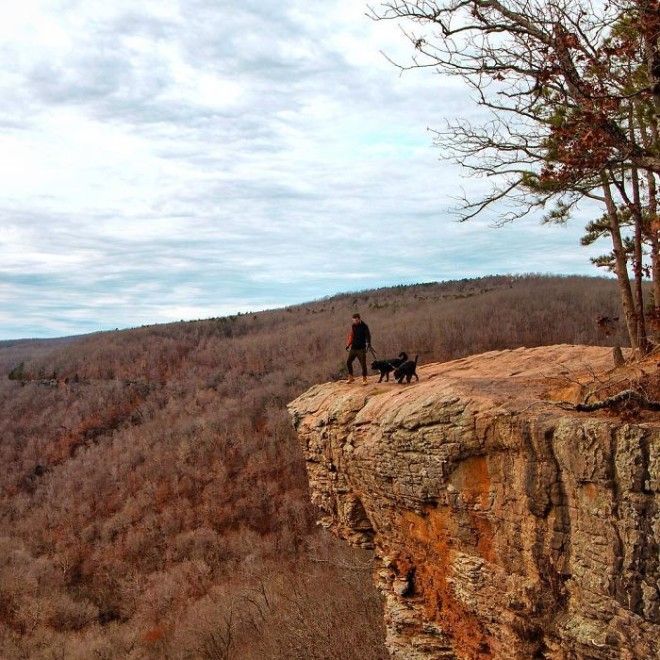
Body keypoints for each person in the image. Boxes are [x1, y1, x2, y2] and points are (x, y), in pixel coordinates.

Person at [345, 313, 371, 385]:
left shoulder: (364, 326)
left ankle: (364, 379)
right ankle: (351, 377)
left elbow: (368, 336)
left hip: (361, 348)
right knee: (348, 362)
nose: (355, 322)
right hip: (354, 348)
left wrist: (368, 343)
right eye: (354, 320)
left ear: (359, 319)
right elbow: (351, 336)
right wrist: (348, 344)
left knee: (363, 364)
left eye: (356, 320)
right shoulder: (353, 326)